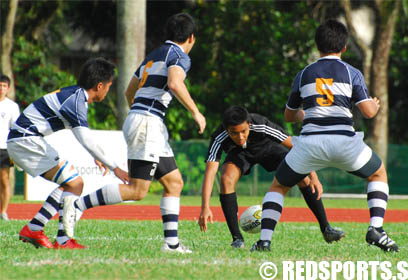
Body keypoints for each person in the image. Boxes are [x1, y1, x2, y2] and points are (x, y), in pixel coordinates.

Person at [250, 19, 399, 252]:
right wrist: (375, 106)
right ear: (344, 47)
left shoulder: (303, 74)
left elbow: (289, 116)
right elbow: (368, 112)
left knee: (278, 186)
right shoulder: (352, 72)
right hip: (345, 144)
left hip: (310, 145)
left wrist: (309, 114)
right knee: (378, 173)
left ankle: (264, 241)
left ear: (317, 46)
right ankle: (376, 229)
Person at [62, 13, 205, 254]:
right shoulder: (179, 56)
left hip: (146, 122)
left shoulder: (153, 55)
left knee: (174, 183)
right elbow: (174, 83)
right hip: (148, 124)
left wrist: (138, 114)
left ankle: (171, 244)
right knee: (138, 190)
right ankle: (78, 205)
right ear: (191, 37)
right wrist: (195, 112)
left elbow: (130, 91)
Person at [7, 57, 129, 249]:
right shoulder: (76, 101)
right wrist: (116, 168)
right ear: (99, 86)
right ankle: (61, 239)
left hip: (23, 140)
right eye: (109, 86)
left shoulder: (75, 95)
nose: (108, 90)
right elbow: (85, 138)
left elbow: (81, 135)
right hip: (25, 140)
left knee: (70, 184)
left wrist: (96, 157)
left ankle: (36, 227)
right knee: (76, 183)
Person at [198, 106, 345, 249]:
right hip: (239, 154)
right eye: (234, 133)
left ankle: (326, 229)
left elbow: (297, 146)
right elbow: (210, 172)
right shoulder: (219, 137)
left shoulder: (261, 124)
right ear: (226, 130)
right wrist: (205, 207)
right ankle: (237, 239)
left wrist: (313, 175)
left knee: (303, 176)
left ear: (249, 124)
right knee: (226, 179)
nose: (240, 137)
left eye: (243, 131)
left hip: (267, 148)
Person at [0, 74, 20, 221]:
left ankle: (4, 211)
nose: (1, 89)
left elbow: (15, 129)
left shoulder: (12, 107)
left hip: (3, 148)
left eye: (4, 86)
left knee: (4, 180)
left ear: (8, 88)